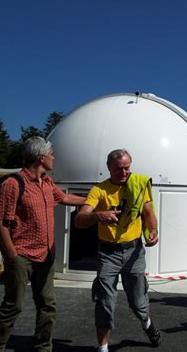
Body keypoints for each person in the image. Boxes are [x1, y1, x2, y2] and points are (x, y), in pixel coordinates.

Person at [0, 136, 86, 351]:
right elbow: (0, 222)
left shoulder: (47, 183)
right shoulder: (14, 184)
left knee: (47, 305)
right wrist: (11, 256)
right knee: (13, 306)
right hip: (22, 256)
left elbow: (65, 199)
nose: (54, 158)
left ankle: (43, 348)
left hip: (46, 256)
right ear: (41, 158)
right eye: (51, 155)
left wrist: (95, 200)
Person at [75, 149, 160, 352]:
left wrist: (153, 230)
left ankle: (147, 323)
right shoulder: (99, 190)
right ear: (109, 168)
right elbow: (80, 220)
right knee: (105, 301)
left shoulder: (139, 184)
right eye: (119, 169)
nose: (124, 172)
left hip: (133, 252)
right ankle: (103, 347)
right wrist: (98, 215)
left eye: (127, 167)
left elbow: (148, 213)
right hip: (108, 253)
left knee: (138, 303)